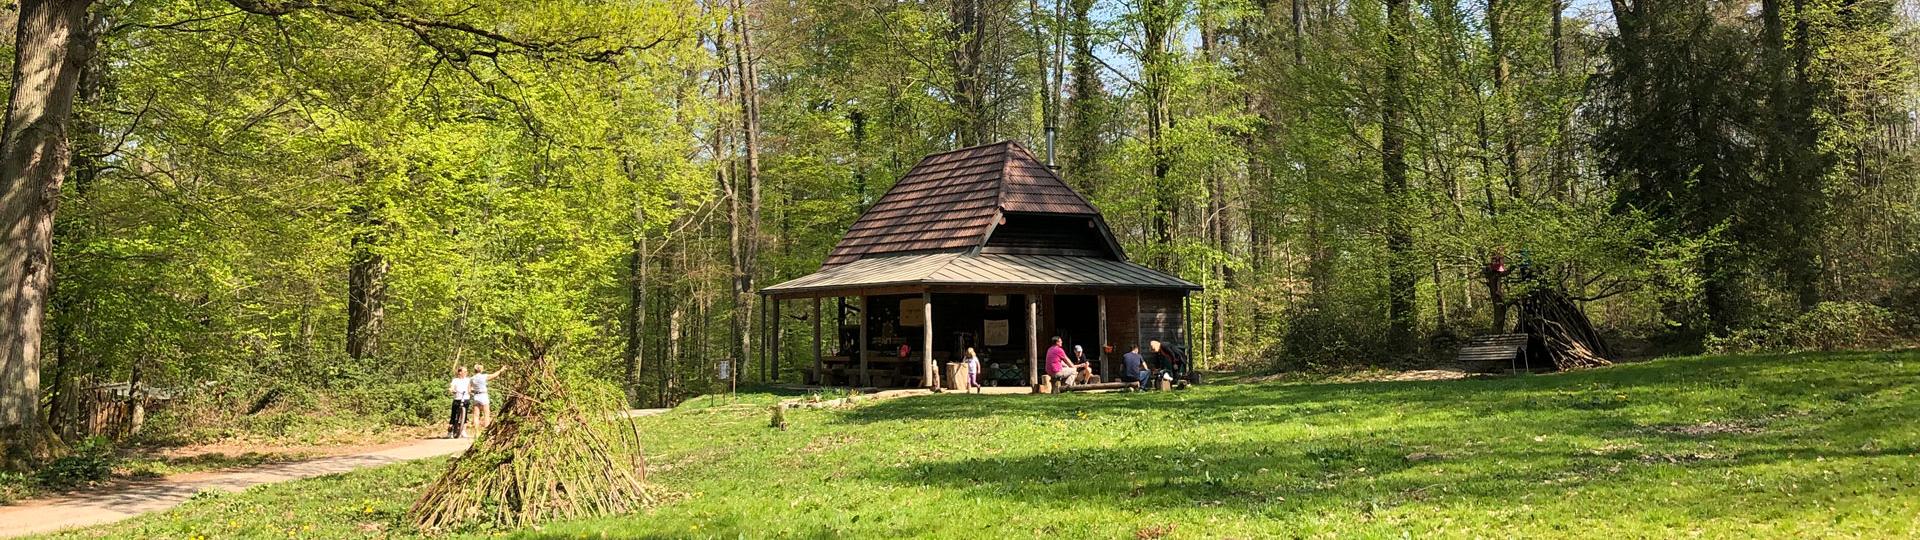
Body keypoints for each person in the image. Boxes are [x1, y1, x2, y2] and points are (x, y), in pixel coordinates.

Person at [469, 363, 509, 433]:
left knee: (476, 415)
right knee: (486, 414)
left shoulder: (472, 378)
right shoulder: (484, 376)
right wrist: (501, 370)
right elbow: (494, 375)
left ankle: (476, 431)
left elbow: (469, 390)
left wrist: (473, 392)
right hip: (483, 396)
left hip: (476, 396)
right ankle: (486, 430)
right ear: (481, 370)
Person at [447, 366, 472, 439]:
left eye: (466, 372)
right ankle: (450, 431)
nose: (466, 373)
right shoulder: (455, 380)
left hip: (466, 398)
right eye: (464, 371)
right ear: (459, 372)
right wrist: (451, 390)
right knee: (453, 415)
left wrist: (472, 390)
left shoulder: (468, 380)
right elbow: (452, 387)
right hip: (457, 398)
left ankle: (463, 430)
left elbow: (471, 387)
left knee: (465, 415)